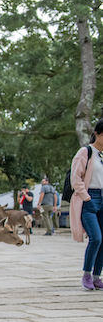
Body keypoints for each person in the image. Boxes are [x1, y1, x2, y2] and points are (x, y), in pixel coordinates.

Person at [70, 119, 103, 290]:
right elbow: (76, 179)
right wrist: (86, 197)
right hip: (90, 199)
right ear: (96, 133)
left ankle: (98, 277)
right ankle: (87, 275)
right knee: (96, 238)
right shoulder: (86, 152)